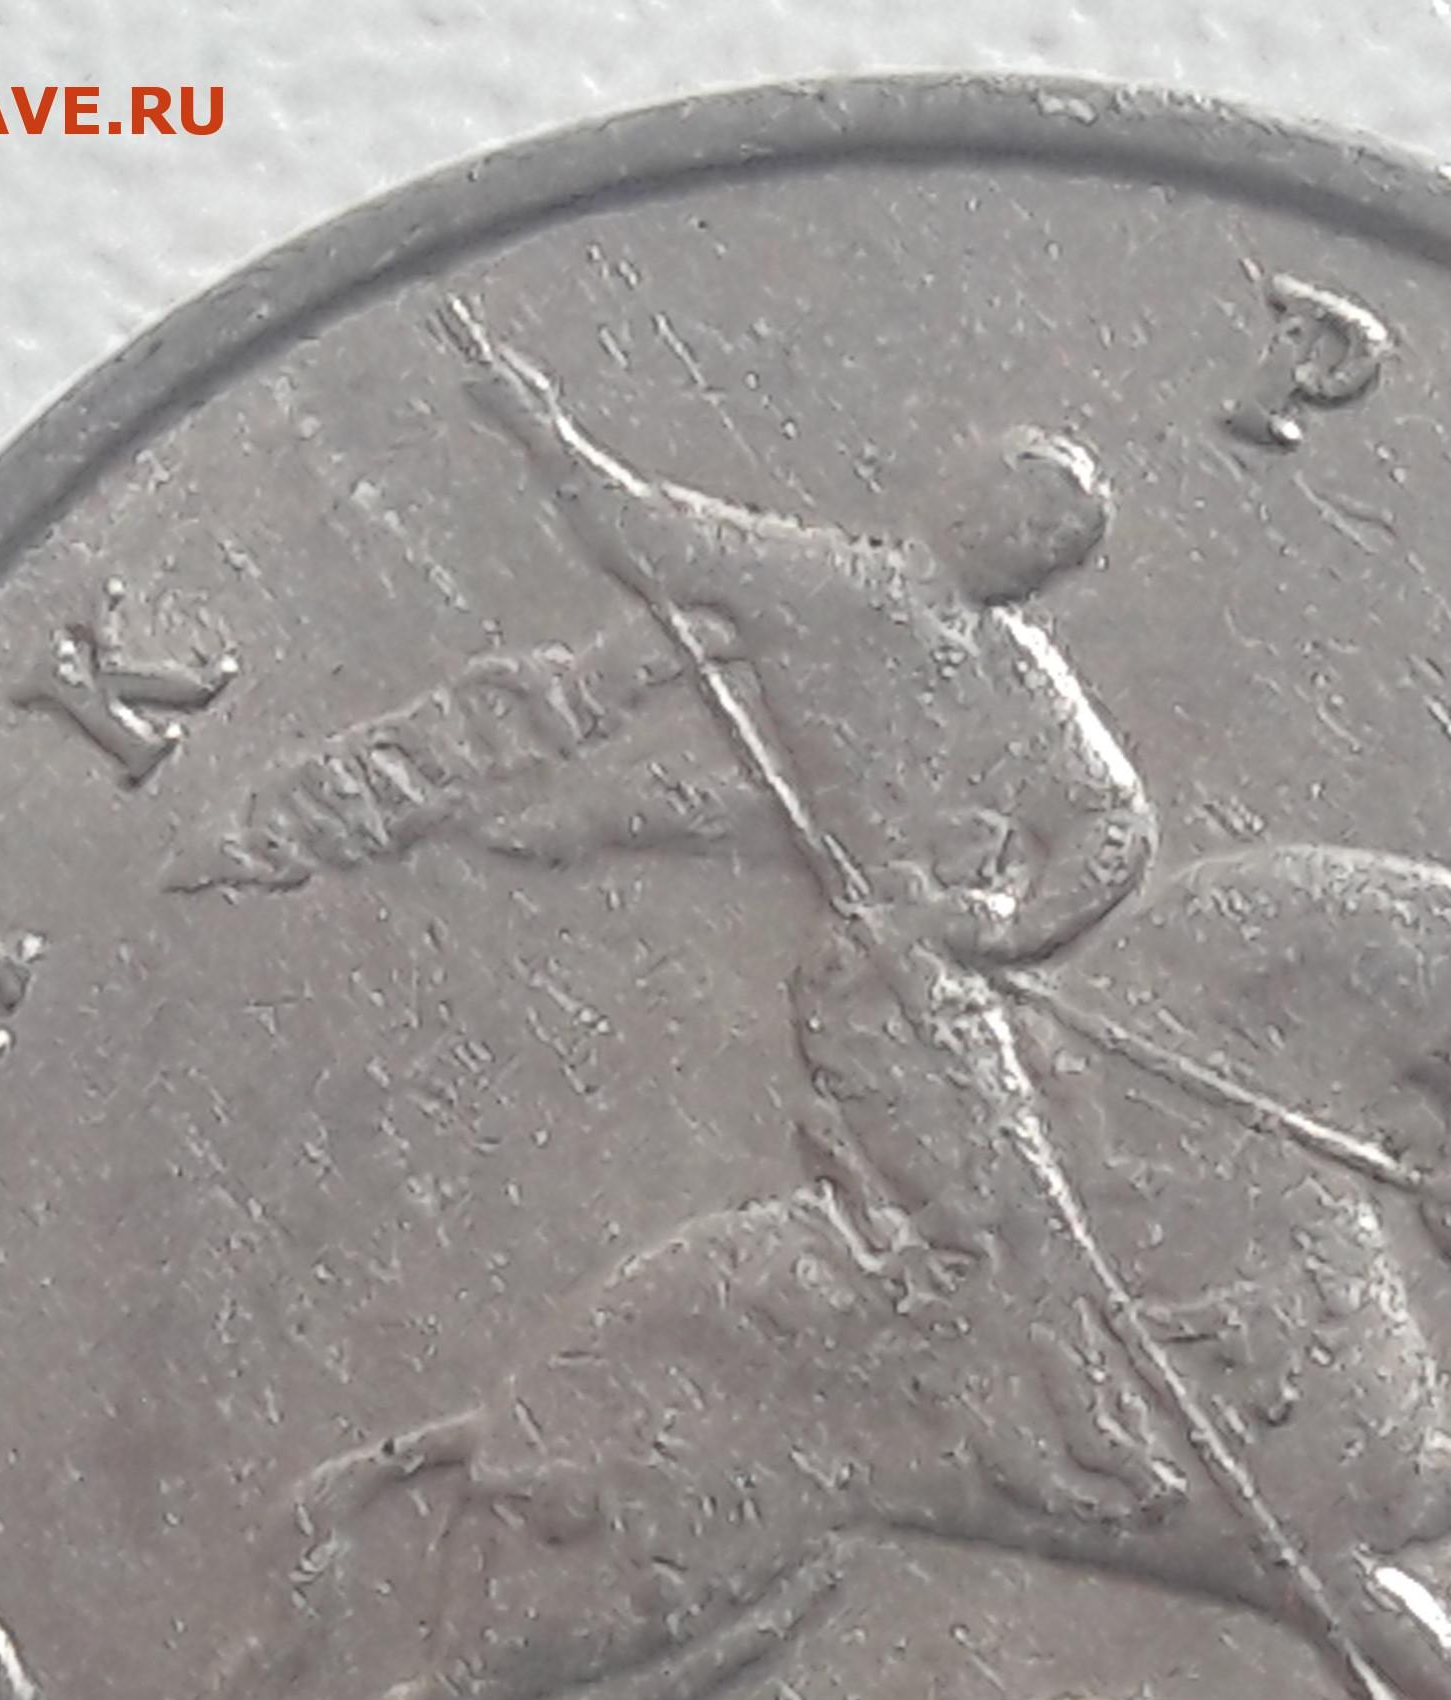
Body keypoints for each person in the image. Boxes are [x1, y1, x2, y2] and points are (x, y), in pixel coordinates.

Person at [454, 335, 1186, 1521]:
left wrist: (1007, 924)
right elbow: (653, 532)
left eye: (1060, 546)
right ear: (979, 505)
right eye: (1035, 523)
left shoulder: (1017, 669)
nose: (1041, 554)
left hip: (957, 968)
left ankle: (1082, 1417)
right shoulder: (830, 588)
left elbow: (1114, 821)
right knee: (995, 1206)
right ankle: (1005, 1425)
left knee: (1053, 1191)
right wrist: (539, 428)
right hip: (876, 975)